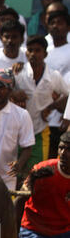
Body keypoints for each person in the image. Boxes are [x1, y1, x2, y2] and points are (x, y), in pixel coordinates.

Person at [13, 35, 68, 185]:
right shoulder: (18, 73)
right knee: (12, 175)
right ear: (26, 53)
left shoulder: (53, 76)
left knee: (36, 176)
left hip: (39, 132)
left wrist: (53, 107)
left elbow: (68, 94)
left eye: (37, 50)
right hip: (16, 133)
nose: (33, 54)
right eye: (30, 50)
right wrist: (13, 95)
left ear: (45, 54)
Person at [18, 131, 70, 238]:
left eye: (68, 150)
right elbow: (21, 197)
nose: (62, 153)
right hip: (35, 229)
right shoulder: (43, 169)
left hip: (65, 232)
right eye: (61, 148)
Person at [44, 10, 70, 159]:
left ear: (68, 27)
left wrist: (63, 106)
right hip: (44, 117)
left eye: (60, 22)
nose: (56, 26)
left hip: (62, 117)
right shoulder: (43, 49)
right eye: (52, 23)